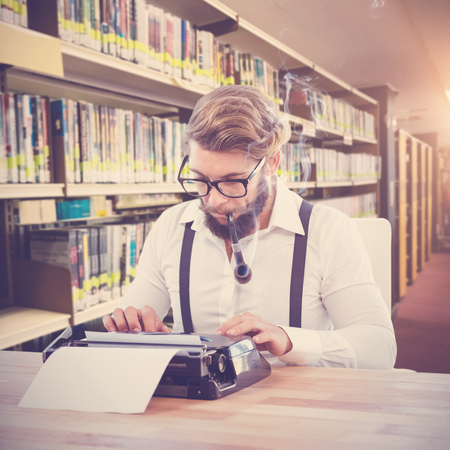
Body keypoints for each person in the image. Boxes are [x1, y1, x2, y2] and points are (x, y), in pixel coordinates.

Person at [103, 85, 397, 369]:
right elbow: (132, 320)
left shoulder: (329, 232)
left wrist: (289, 340)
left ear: (272, 164)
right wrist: (135, 331)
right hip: (194, 412)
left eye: (233, 181)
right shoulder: (171, 227)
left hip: (293, 409)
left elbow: (380, 348)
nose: (214, 200)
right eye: (200, 179)